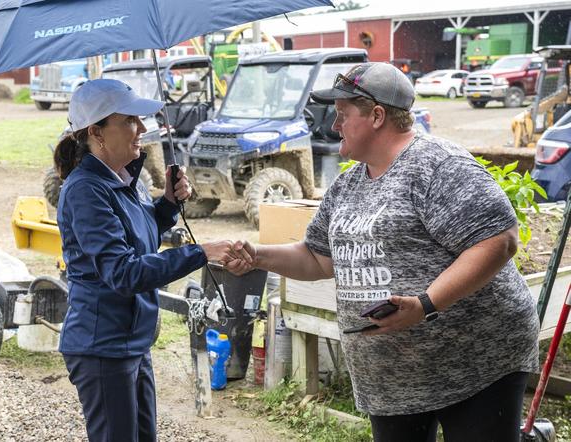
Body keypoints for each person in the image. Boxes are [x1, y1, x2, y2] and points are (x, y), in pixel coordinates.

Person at [225, 63, 539, 441]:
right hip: (392, 378)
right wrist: (256, 255)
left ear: (377, 115)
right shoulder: (349, 184)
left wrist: (426, 303)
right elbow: (317, 257)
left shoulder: (438, 165)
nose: (334, 125)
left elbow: (498, 240)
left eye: (342, 115)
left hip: (475, 362)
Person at [54, 78, 241, 442]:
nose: (142, 129)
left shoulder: (125, 180)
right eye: (129, 121)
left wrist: (168, 205)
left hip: (130, 340)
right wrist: (200, 253)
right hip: (102, 346)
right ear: (97, 132)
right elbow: (122, 272)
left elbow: (141, 241)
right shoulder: (85, 191)